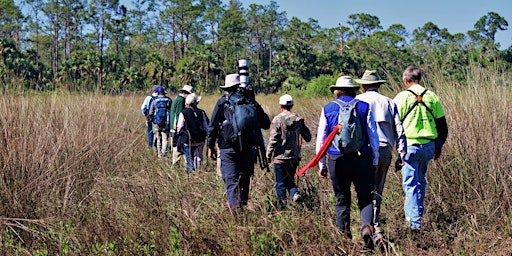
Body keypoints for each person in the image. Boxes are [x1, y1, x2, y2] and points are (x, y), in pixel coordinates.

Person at [316, 76, 379, 247]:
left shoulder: (328, 108)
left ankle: (344, 239)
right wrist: (375, 160)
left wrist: (321, 164)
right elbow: (373, 135)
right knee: (365, 197)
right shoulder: (364, 107)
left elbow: (322, 138)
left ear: (336, 90)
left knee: (342, 199)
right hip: (362, 157)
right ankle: (366, 227)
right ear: (354, 90)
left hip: (337, 159)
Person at [393, 66, 448, 231]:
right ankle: (418, 213)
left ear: (405, 80)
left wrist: (397, 148)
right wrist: (438, 147)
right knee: (421, 180)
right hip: (428, 146)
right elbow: (442, 126)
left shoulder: (401, 97)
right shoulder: (432, 96)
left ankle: (414, 224)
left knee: (410, 184)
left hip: (410, 146)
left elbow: (394, 124)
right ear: (419, 79)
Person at [355, 70, 407, 241]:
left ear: (363, 85)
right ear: (378, 85)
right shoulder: (389, 102)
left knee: (363, 190)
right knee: (378, 189)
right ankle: (376, 229)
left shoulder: (358, 101)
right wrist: (401, 154)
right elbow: (399, 129)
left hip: (363, 151)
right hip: (385, 149)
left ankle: (367, 226)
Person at [207, 74, 270, 213]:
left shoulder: (223, 102)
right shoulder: (250, 102)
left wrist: (210, 146)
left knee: (231, 179)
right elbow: (266, 123)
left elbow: (212, 126)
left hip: (228, 147)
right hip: (249, 147)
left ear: (227, 88)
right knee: (245, 178)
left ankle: (236, 212)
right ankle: (243, 205)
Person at [266, 94, 312, 210]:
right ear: (292, 105)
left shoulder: (277, 120)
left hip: (280, 158)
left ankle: (282, 208)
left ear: (280, 105)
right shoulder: (298, 119)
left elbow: (273, 139)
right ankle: (295, 194)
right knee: (291, 180)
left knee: (280, 184)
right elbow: (308, 137)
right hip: (294, 157)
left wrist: (268, 155)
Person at [175, 93, 209, 173]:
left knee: (189, 158)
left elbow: (179, 127)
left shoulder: (183, 113)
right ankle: (198, 172)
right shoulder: (201, 112)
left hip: (187, 139)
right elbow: (206, 127)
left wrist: (180, 134)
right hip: (200, 139)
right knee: (198, 157)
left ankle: (191, 173)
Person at [170, 85, 194, 168]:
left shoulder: (177, 98)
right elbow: (179, 114)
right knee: (178, 147)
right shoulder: (181, 100)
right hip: (177, 127)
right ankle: (176, 165)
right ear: (186, 93)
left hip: (173, 126)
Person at [147, 86, 172, 158]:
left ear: (157, 92)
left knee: (158, 139)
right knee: (165, 139)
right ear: (164, 92)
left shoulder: (154, 101)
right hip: (166, 123)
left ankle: (159, 155)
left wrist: (150, 120)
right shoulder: (168, 100)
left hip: (156, 123)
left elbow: (151, 112)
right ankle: (164, 154)